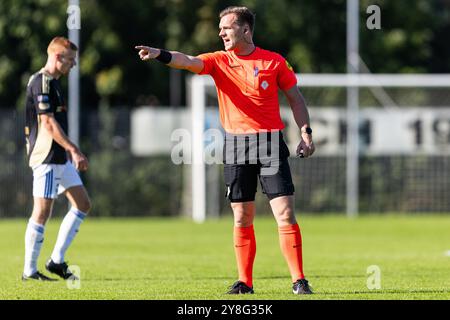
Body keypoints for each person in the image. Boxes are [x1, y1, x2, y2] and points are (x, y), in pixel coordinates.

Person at [136, 6, 315, 295]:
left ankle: (299, 280)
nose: (220, 33)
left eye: (226, 28)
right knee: (242, 217)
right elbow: (189, 61)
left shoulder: (274, 61)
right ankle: (245, 282)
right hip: (235, 144)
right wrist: (161, 54)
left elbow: (295, 98)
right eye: (220, 28)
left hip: (269, 143)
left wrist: (306, 133)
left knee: (284, 213)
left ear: (245, 30)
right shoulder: (219, 60)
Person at [22, 36, 91, 281]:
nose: (73, 65)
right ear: (57, 57)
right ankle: (29, 271)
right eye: (70, 60)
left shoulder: (54, 83)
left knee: (82, 203)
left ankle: (56, 261)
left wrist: (69, 151)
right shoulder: (41, 81)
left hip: (59, 157)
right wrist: (74, 149)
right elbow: (48, 124)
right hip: (47, 157)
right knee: (42, 211)